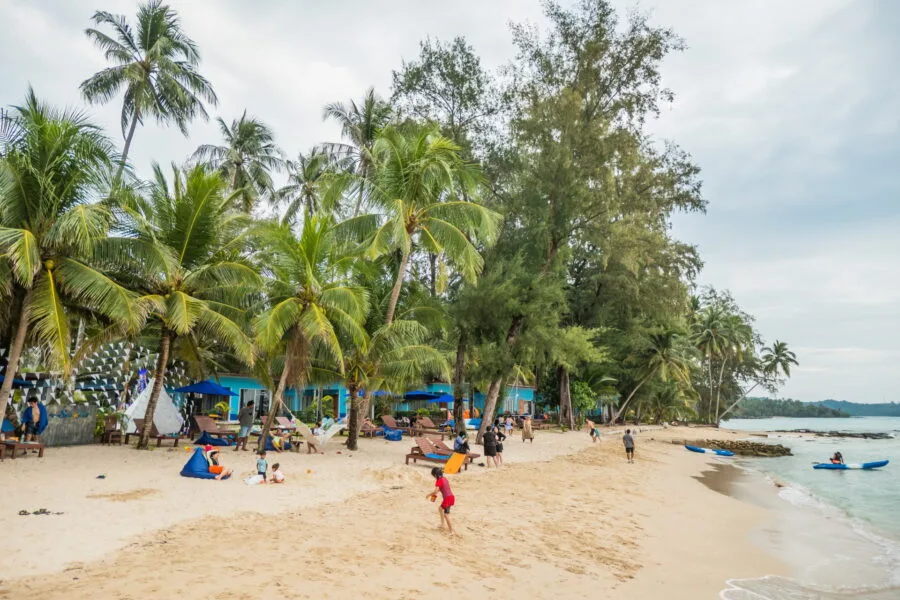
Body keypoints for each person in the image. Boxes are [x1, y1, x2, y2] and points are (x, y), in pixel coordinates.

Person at [426, 467, 456, 535]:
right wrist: (434, 494)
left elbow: (436, 491)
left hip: (447, 499)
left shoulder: (439, 480)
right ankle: (442, 524)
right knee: (440, 509)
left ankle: (451, 531)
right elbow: (442, 488)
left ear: (435, 475)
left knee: (446, 515)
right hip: (450, 497)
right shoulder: (444, 479)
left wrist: (429, 495)